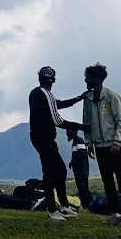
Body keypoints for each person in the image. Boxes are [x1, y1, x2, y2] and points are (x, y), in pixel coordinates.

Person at [75, 63, 121, 226]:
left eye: (89, 78)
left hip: (113, 146)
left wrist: (117, 141)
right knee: (107, 180)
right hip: (99, 146)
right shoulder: (87, 99)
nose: (86, 80)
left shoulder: (112, 96)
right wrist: (89, 143)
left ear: (98, 79)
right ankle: (115, 214)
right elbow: (86, 123)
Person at [27, 66, 82, 220]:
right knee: (51, 172)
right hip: (45, 138)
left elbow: (56, 104)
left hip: (39, 137)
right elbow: (57, 120)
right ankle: (53, 209)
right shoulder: (46, 94)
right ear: (54, 80)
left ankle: (63, 206)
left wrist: (77, 99)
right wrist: (81, 127)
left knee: (59, 170)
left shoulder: (36, 93)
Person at [67, 121, 94, 210]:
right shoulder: (75, 141)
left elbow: (82, 154)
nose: (67, 133)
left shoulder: (78, 141)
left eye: (68, 131)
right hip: (78, 171)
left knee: (84, 189)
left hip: (82, 170)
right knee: (81, 189)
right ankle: (86, 206)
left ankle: (91, 205)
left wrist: (73, 162)